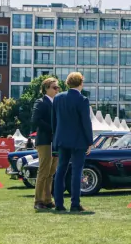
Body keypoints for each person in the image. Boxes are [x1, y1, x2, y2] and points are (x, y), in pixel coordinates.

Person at [52, 72, 94, 212]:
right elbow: (86, 123)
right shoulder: (82, 100)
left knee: (60, 171)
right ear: (81, 83)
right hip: (78, 141)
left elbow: (54, 121)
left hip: (62, 140)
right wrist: (90, 141)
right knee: (77, 172)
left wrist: (56, 138)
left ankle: (58, 204)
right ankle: (75, 204)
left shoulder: (57, 98)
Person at [31, 77, 60, 212]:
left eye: (57, 87)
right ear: (46, 88)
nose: (57, 89)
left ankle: (48, 200)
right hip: (44, 141)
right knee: (43, 171)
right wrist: (52, 129)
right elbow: (36, 120)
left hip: (55, 142)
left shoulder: (57, 102)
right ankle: (38, 201)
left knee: (51, 172)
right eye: (54, 87)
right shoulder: (41, 102)